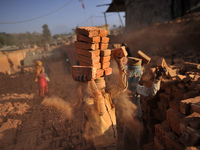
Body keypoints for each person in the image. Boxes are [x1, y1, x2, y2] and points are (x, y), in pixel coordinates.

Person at [73, 56, 128, 150]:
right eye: (101, 88)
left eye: (104, 88)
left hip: (113, 139)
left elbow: (122, 86)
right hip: (103, 144)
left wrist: (120, 66)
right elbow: (100, 111)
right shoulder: (88, 103)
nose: (104, 90)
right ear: (94, 89)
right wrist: (92, 85)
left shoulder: (106, 96)